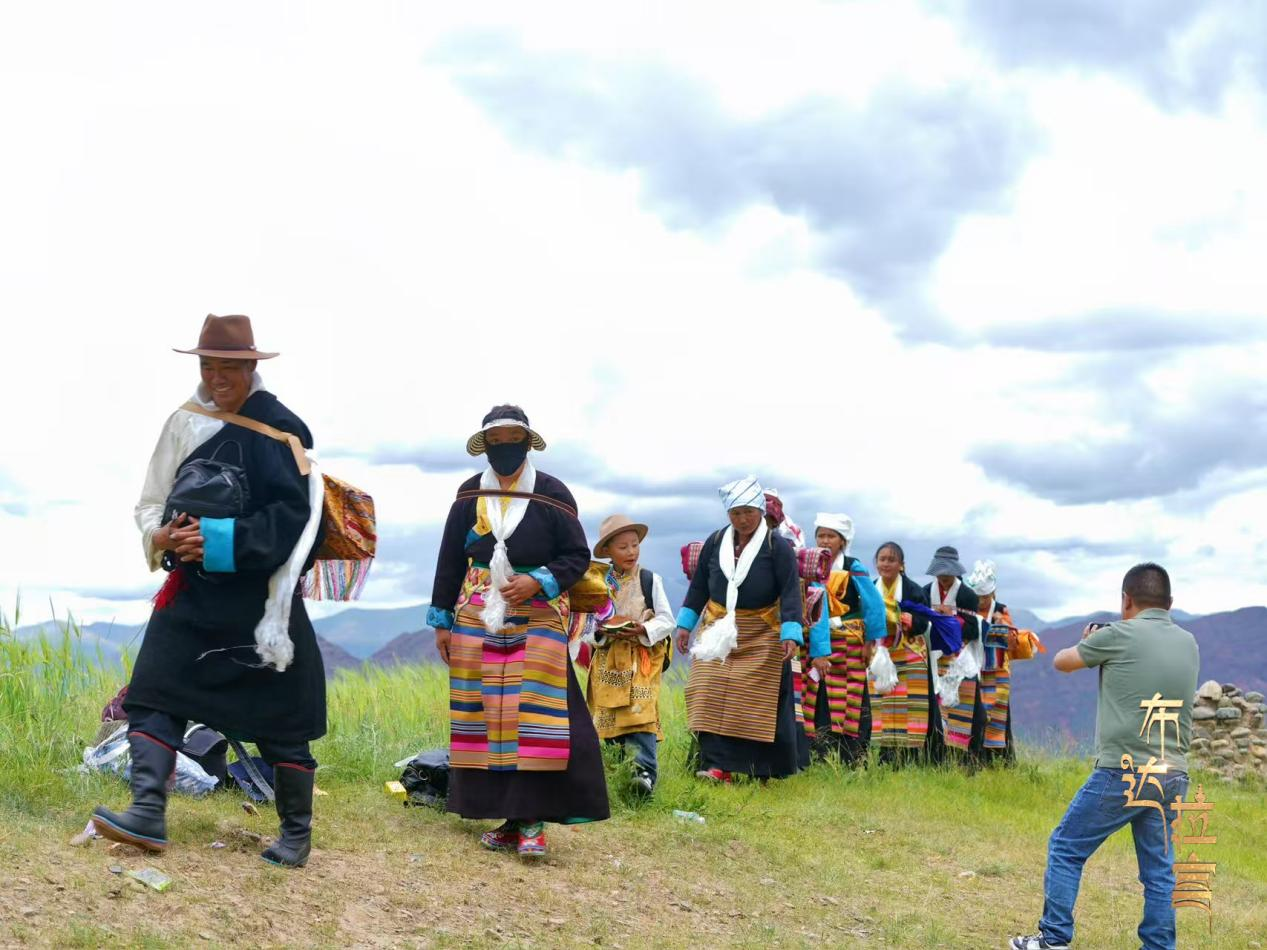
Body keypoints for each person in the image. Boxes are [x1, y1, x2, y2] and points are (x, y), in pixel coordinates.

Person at [92, 315, 327, 868]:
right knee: (153, 693)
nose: (217, 377)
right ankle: (147, 810)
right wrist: (162, 535)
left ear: (251, 367)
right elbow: (151, 500)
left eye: (229, 367)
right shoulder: (184, 423)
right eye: (208, 366)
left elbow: (296, 520)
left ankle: (295, 834)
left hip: (260, 601)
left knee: (282, 719)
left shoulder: (279, 429)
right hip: (190, 595)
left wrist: (219, 542)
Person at [428, 405, 608, 859]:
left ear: (527, 443)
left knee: (534, 719)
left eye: (513, 439)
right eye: (496, 440)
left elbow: (576, 555)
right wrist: (440, 620)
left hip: (538, 616)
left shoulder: (552, 493)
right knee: (486, 715)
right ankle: (508, 819)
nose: (505, 447)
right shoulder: (471, 493)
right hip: (476, 613)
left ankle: (532, 822)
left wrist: (540, 579)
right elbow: (451, 557)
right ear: (485, 445)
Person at [1011, 563, 1199, 950]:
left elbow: (1062, 662)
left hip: (1123, 770)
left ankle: (1053, 938)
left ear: (1126, 600)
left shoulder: (1116, 635)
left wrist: (1088, 640)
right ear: (1170, 604)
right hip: (1173, 773)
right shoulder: (1189, 642)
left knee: (1066, 846)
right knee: (1159, 872)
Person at [675, 476, 805, 782]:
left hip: (761, 632)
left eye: (748, 511)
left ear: (760, 510)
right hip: (718, 630)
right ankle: (715, 766)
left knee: (753, 698)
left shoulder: (778, 546)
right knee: (706, 688)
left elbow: (789, 592)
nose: (742, 519)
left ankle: (756, 769)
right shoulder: (716, 542)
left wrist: (790, 632)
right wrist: (684, 625)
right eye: (735, 513)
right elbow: (699, 587)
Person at [583, 514, 676, 795]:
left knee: (640, 714)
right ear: (608, 550)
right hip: (607, 662)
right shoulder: (596, 583)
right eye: (622, 547)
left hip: (641, 661)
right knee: (610, 717)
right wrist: (603, 632)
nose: (631, 552)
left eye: (635, 545)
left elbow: (666, 619)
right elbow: (586, 626)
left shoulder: (649, 579)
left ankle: (644, 775)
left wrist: (642, 629)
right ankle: (616, 774)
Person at [802, 513, 887, 765]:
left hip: (848, 644)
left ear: (842, 541)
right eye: (820, 535)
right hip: (815, 642)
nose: (825, 540)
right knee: (815, 695)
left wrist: (870, 642)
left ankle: (852, 756)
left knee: (851, 697)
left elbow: (874, 605)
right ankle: (817, 753)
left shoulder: (853, 566)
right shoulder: (808, 564)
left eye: (831, 536)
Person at [870, 542, 941, 764]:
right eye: (882, 559)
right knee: (881, 702)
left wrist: (913, 621)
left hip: (910, 653)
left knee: (911, 704)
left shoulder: (913, 590)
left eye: (891, 560)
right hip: (881, 652)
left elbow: (926, 620)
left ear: (901, 565)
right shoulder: (871, 588)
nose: (886, 564)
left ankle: (913, 756)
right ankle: (884, 756)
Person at [923, 545, 986, 763]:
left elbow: (972, 628)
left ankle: (967, 758)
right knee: (935, 707)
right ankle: (935, 755)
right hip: (933, 659)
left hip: (960, 660)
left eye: (948, 574)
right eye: (941, 574)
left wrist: (948, 619)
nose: (944, 578)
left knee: (968, 709)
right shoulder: (924, 592)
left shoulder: (967, 595)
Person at [966, 559, 1016, 762]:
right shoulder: (968, 608)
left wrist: (1002, 625)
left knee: (998, 715)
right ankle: (977, 757)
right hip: (974, 665)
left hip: (997, 670)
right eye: (978, 597)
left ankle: (1001, 759)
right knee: (976, 712)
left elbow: (1012, 642)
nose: (981, 601)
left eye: (985, 597)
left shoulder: (1001, 610)